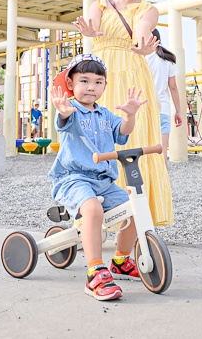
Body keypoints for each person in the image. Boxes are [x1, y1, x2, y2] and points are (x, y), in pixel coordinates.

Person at [74, 0, 173, 227]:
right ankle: (94, 212)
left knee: (133, 138)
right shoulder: (101, 4)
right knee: (95, 136)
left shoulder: (148, 9)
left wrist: (142, 43)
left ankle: (135, 216)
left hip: (131, 75)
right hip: (100, 76)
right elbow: (92, 24)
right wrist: (89, 31)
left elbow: (143, 27)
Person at [48, 54, 144, 301]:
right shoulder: (71, 110)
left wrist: (130, 115)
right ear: (71, 84)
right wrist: (63, 112)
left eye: (98, 82)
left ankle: (121, 260)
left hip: (103, 181)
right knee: (92, 210)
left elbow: (122, 132)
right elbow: (62, 122)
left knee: (134, 208)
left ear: (105, 85)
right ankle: (95, 272)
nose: (91, 87)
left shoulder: (105, 115)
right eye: (84, 81)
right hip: (74, 178)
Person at [145, 29, 182, 163]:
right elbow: (173, 87)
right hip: (163, 109)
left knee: (144, 149)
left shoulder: (140, 58)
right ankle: (163, 177)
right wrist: (178, 111)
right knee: (162, 150)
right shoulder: (168, 59)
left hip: (145, 108)